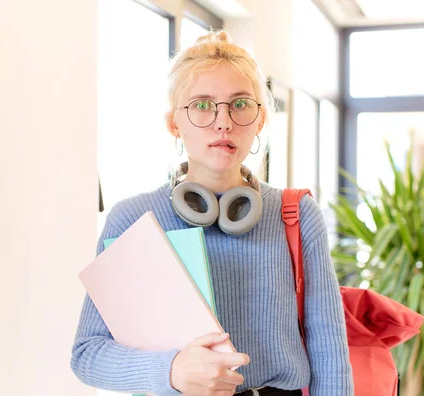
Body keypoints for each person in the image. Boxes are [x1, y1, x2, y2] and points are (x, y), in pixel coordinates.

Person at [71, 30, 353, 396]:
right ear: (174, 123)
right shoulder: (133, 219)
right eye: (202, 105)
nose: (224, 121)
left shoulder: (296, 214)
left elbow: (330, 353)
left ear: (260, 120)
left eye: (240, 104)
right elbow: (88, 355)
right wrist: (171, 370)